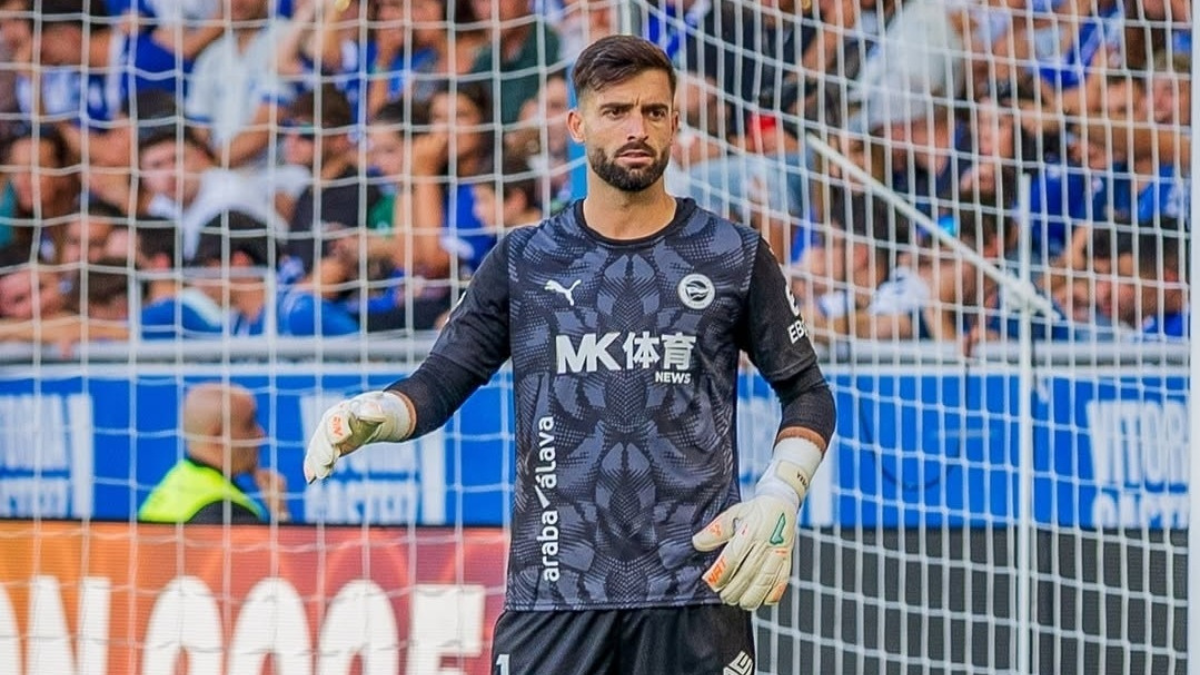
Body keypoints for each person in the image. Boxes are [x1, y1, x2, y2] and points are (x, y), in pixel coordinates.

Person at [303, 35, 835, 674]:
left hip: (696, 595)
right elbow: (445, 376)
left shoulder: (733, 254)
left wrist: (782, 490)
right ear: (578, 125)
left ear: (675, 122)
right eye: (616, 112)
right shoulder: (526, 258)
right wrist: (385, 411)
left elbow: (807, 391)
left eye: (653, 111)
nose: (637, 128)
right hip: (554, 598)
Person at [139, 382, 289, 524]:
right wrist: (281, 514)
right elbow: (276, 552)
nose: (261, 434)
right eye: (249, 424)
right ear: (218, 436)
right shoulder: (227, 513)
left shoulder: (174, 483)